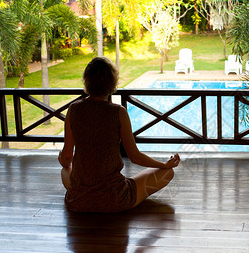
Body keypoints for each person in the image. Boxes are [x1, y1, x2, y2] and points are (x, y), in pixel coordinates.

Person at [58, 57, 180, 212]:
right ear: (112, 82)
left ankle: (85, 191)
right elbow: (134, 156)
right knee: (167, 173)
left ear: (86, 81)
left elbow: (67, 157)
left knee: (65, 170)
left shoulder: (73, 109)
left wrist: (64, 161)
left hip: (78, 200)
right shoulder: (118, 112)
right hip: (115, 198)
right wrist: (163, 165)